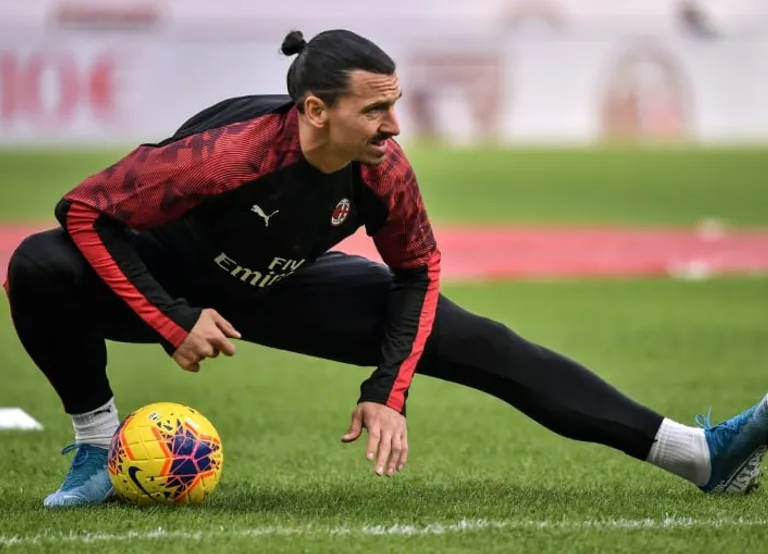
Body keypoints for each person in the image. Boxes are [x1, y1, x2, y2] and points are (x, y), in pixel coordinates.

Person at [3, 29, 766, 509]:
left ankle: (699, 454)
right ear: (314, 110)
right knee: (39, 264)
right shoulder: (228, 155)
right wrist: (171, 319)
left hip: (280, 284)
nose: (394, 125)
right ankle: (98, 449)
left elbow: (419, 271)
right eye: (374, 110)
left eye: (395, 105)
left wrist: (387, 389)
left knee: (485, 342)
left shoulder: (382, 168)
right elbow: (85, 210)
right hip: (164, 275)